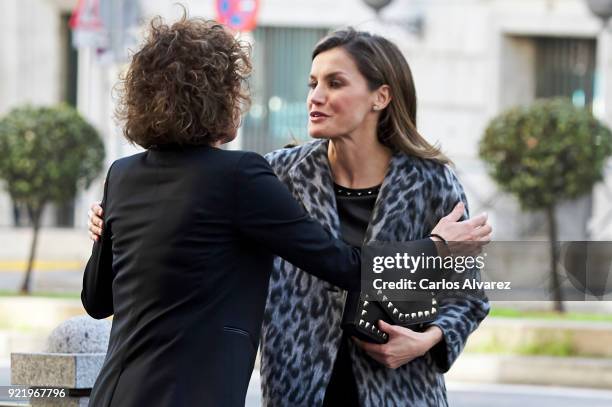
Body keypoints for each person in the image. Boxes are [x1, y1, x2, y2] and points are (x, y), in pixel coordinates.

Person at [87, 25, 491, 407]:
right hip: (296, 387)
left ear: (380, 97)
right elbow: (343, 267)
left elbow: (468, 294)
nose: (315, 95)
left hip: (402, 388)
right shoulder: (273, 174)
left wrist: (427, 341)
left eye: (334, 83)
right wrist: (434, 248)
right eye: (312, 83)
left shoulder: (432, 182)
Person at [81, 15, 367, 407]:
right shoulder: (239, 176)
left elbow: (96, 301)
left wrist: (102, 236)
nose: (240, 101)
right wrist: (435, 249)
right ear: (215, 98)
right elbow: (344, 266)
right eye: (235, 88)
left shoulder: (124, 174)